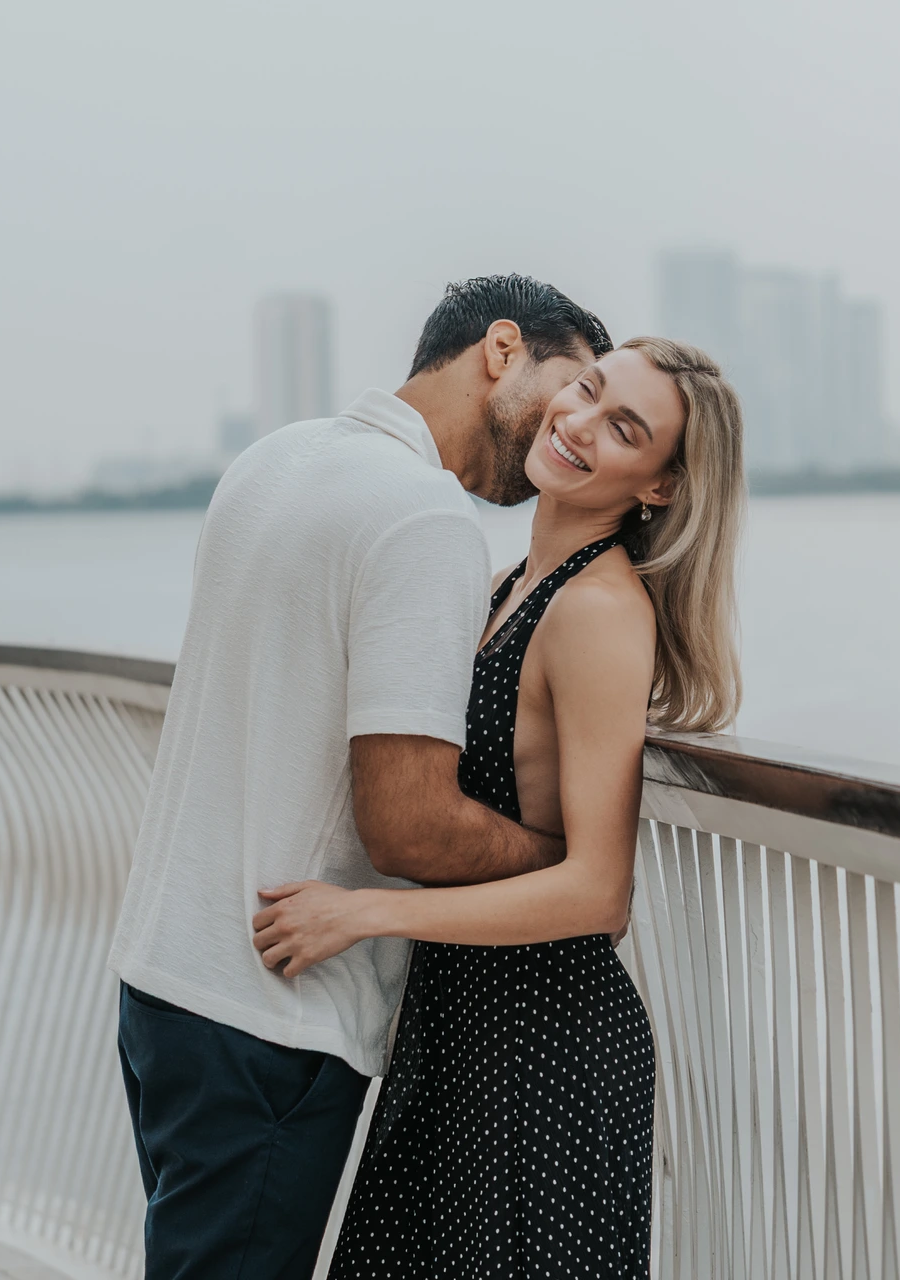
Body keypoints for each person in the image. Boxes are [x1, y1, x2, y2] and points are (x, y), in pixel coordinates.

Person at [108, 274, 612, 1280]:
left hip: (164, 974)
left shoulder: (274, 458)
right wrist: (559, 857)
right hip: (272, 1010)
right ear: (501, 350)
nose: (573, 424)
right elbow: (409, 826)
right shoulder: (424, 517)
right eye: (576, 385)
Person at [250, 336, 745, 1277]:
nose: (578, 423)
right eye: (588, 392)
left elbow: (599, 890)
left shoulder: (598, 613)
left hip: (544, 1061)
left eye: (624, 427)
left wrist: (362, 913)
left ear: (662, 489)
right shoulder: (505, 589)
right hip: (459, 1035)